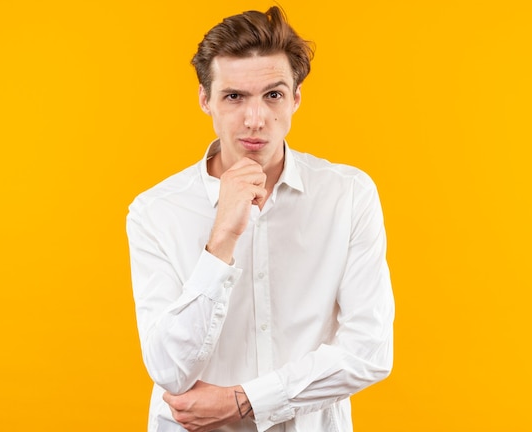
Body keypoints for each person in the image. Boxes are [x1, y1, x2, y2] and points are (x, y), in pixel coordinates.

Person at [127, 6, 394, 432]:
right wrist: (222, 238)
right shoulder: (156, 211)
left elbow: (370, 351)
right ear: (204, 99)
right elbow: (169, 370)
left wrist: (246, 401)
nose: (256, 120)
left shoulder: (347, 195)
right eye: (234, 97)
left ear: (296, 98)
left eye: (273, 95)